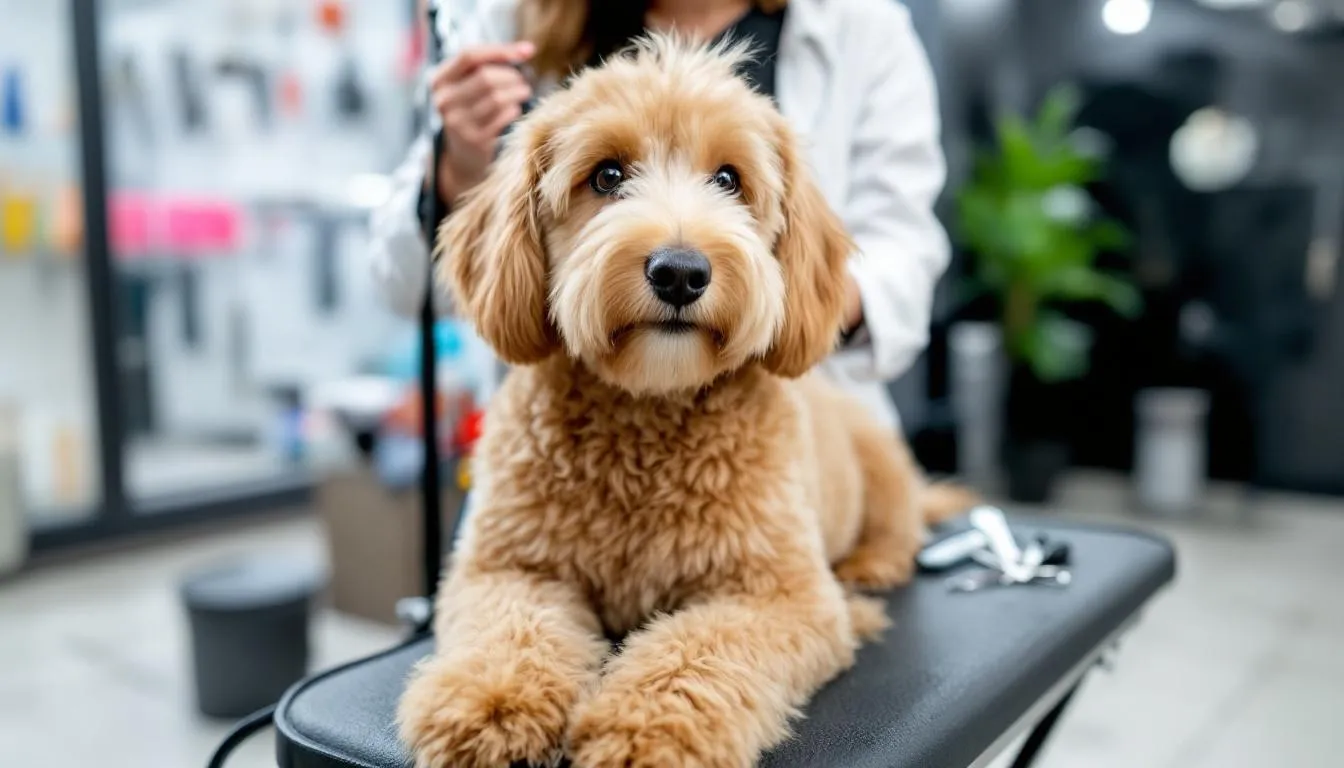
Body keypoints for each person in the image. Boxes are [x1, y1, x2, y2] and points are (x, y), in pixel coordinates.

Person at [369, 0, 949, 430]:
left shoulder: (863, 28)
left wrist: (790, 299)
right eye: (609, 179)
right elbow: (401, 285)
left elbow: (903, 255)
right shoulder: (508, 21)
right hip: (556, 427)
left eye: (727, 182)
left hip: (803, 439)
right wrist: (459, 164)